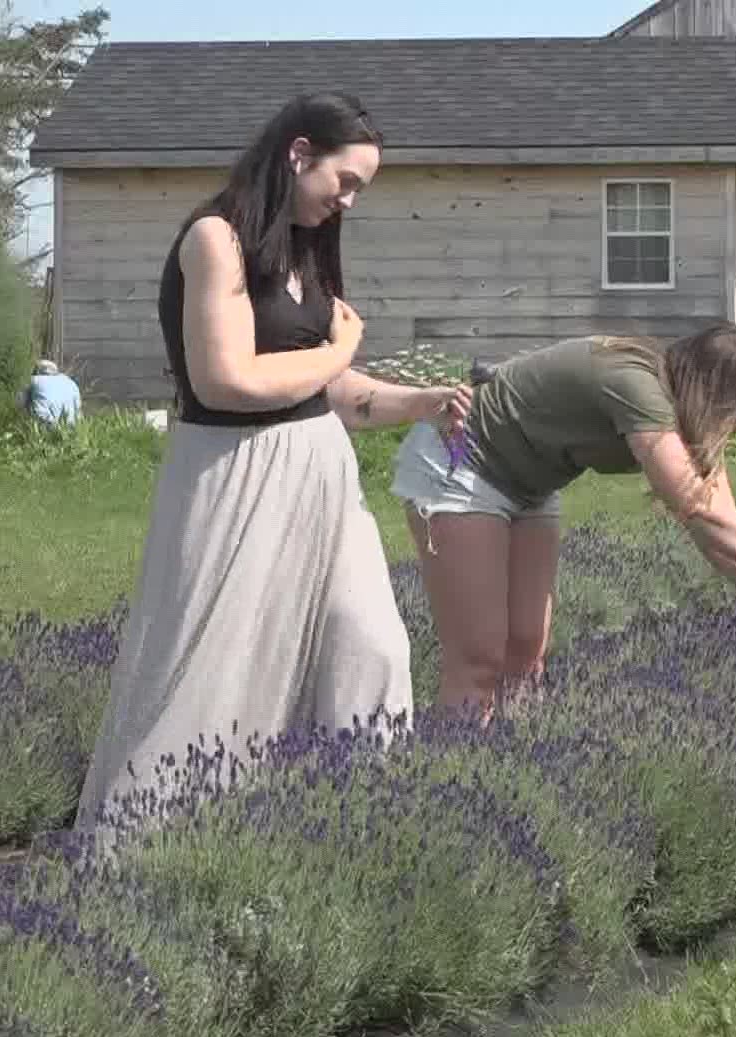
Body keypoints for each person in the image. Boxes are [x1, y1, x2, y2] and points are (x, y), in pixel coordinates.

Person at [75, 93, 472, 829]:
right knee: (216, 670)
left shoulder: (303, 251)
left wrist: (419, 401)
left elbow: (331, 390)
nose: (349, 200)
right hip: (235, 476)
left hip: (323, 479)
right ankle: (159, 844)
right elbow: (226, 380)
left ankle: (360, 826)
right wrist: (340, 348)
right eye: (345, 181)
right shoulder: (215, 240)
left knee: (374, 645)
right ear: (298, 154)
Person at [390, 326, 736, 715]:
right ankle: (455, 772)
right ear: (716, 395)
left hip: (528, 484)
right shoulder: (636, 386)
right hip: (461, 460)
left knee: (526, 649)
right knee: (479, 658)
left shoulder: (687, 420)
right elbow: (696, 506)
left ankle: (511, 776)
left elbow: (716, 527)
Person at [23, 359, 81, 427]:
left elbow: (19, 403)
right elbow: (78, 408)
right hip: (71, 427)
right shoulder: (71, 382)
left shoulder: (33, 380)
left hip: (45, 424)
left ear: (37, 370)